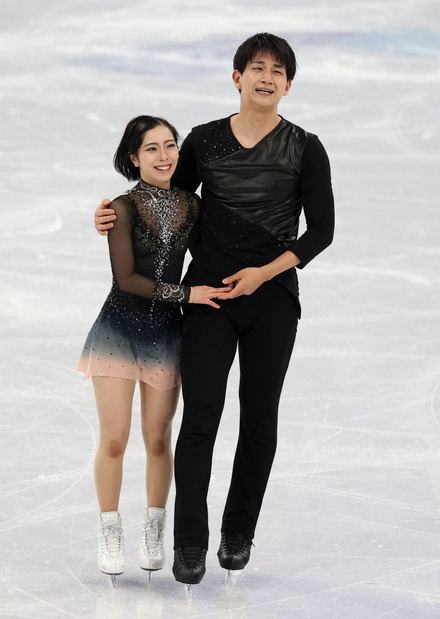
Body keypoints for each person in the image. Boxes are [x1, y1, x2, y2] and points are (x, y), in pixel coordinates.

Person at [95, 33, 335, 586]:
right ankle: (190, 543)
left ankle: (237, 532)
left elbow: (321, 229)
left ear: (288, 85)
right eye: (257, 67)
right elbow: (162, 200)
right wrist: (110, 216)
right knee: (200, 418)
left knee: (259, 417)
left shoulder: (305, 146)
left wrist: (265, 272)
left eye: (278, 71)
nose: (267, 77)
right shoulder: (204, 140)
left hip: (272, 298)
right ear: (237, 77)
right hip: (208, 300)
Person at [79, 115, 229, 584]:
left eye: (170, 146)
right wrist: (188, 295)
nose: (164, 156)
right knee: (116, 439)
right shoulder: (121, 208)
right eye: (151, 149)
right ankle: (109, 530)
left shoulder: (193, 205)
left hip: (166, 336)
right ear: (133, 157)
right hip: (118, 333)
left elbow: (212, 253)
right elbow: (126, 279)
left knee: (160, 440)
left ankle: (154, 528)